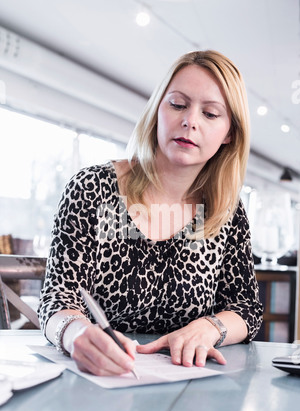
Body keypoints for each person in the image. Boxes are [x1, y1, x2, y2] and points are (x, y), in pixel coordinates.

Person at [38, 50, 263, 377]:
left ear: (229, 133)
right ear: (158, 109)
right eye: (177, 104)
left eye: (211, 113)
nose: (190, 121)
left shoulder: (223, 210)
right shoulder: (96, 190)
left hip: (189, 389)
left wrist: (209, 327)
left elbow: (246, 309)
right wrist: (75, 335)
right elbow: (58, 300)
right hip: (94, 380)